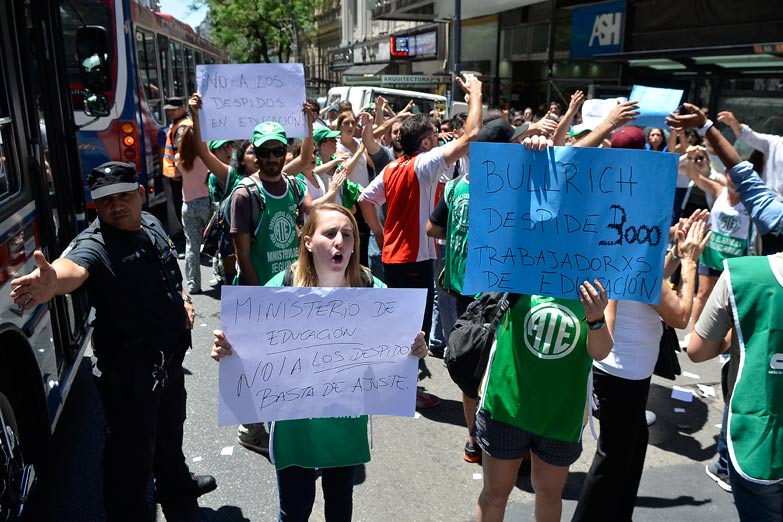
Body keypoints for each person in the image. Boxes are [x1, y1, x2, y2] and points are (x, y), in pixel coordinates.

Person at [10, 162, 216, 520]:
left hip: (167, 362)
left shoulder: (151, 224)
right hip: (130, 376)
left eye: (124, 196)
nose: (116, 206)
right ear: (96, 207)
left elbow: (168, 269)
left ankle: (175, 484)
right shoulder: (96, 243)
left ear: (140, 194)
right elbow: (73, 268)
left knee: (170, 431)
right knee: (129, 458)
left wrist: (182, 298)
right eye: (105, 201)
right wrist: (52, 282)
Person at [210, 203, 428, 522]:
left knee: (340, 503)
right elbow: (245, 341)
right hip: (294, 424)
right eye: (330, 233)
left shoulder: (371, 290)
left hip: (346, 422)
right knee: (294, 509)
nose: (340, 240)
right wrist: (226, 349)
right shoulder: (282, 286)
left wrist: (416, 348)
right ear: (308, 241)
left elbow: (400, 344)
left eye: (348, 234)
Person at [669, 104, 783, 520]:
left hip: (758, 447)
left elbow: (698, 351)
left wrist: (705, 126)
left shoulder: (745, 277)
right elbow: (742, 175)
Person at [572, 212, 711, 522]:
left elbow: (646, 286)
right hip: (623, 374)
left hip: (624, 372)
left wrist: (675, 253)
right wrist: (689, 262)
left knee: (632, 447)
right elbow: (680, 314)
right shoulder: (639, 264)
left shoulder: (627, 252)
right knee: (612, 459)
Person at [358, 73, 485, 410]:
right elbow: (471, 136)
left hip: (395, 259)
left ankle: (397, 386)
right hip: (411, 262)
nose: (440, 139)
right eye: (434, 136)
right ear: (426, 143)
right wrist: (476, 93)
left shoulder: (392, 168)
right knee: (413, 331)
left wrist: (379, 233)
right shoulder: (424, 164)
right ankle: (404, 392)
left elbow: (364, 201)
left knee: (403, 326)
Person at [475, 280, 614, 522]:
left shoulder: (600, 278)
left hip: (561, 413)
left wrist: (596, 319)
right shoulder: (519, 259)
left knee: (549, 494)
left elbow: (600, 352)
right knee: (495, 494)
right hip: (506, 403)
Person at [175, 125, 212, 294]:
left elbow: (176, 175)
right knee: (215, 240)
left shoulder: (179, 158)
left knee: (191, 245)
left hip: (188, 205)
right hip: (206, 203)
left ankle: (193, 284)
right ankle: (219, 273)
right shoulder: (206, 159)